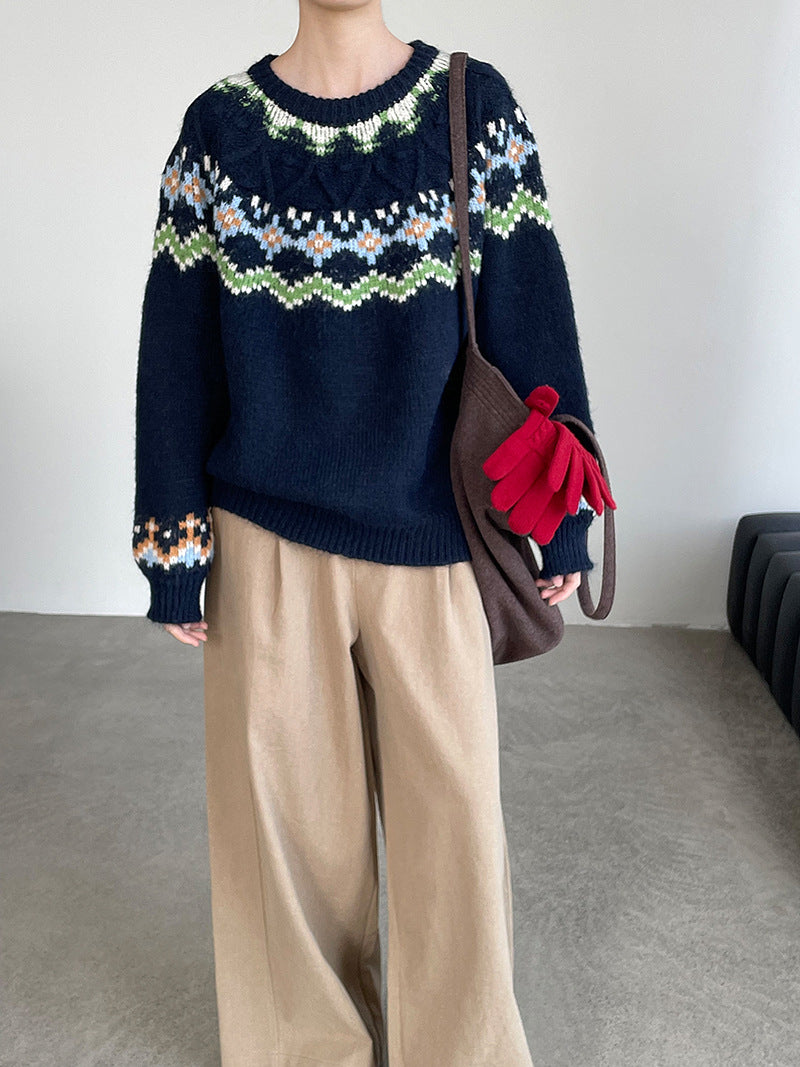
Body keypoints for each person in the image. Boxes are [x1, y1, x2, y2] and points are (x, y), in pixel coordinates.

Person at [132, 3, 598, 1064]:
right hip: (264, 543)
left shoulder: (473, 107)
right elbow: (176, 348)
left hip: (435, 543)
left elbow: (532, 309)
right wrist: (173, 540)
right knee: (287, 852)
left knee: (456, 840)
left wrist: (562, 511)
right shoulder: (218, 129)